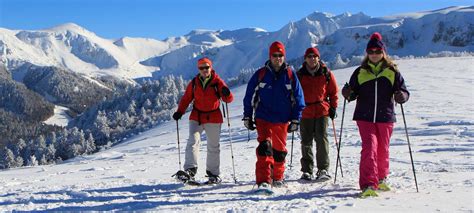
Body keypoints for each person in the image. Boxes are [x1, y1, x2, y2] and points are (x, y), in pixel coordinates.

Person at [342, 32, 409, 197]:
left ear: (383, 53)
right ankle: (368, 183)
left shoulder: (392, 71)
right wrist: (347, 93)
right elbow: (352, 94)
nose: (374, 54)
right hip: (365, 116)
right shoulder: (360, 72)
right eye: (371, 52)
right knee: (369, 148)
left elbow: (404, 91)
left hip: (385, 116)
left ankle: (381, 178)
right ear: (367, 53)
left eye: (377, 51)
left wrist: (402, 96)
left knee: (383, 149)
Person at [243, 41, 305, 190]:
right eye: (275, 55)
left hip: (282, 119)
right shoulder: (261, 74)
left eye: (280, 55)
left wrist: (296, 118)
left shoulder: (290, 75)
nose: (278, 58)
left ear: (284, 56)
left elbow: (299, 98)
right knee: (264, 147)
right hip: (263, 117)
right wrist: (247, 116)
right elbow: (249, 96)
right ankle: (264, 180)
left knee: (279, 151)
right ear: (270, 56)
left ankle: (277, 177)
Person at [172, 57, 234, 184]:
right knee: (193, 141)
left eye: (207, 67)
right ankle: (190, 170)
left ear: (211, 67)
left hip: (214, 117)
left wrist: (227, 93)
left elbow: (228, 99)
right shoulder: (194, 83)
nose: (205, 70)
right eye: (202, 68)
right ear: (198, 69)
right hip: (197, 116)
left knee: (213, 146)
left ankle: (213, 174)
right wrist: (180, 111)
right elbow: (186, 98)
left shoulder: (217, 82)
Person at [296, 47, 338, 181]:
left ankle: (323, 169)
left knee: (322, 139)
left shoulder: (326, 73)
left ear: (318, 58)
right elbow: (295, 94)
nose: (312, 59)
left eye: (314, 56)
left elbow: (333, 92)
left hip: (322, 110)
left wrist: (333, 107)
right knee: (306, 141)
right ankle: (307, 171)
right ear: (305, 59)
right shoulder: (300, 75)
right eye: (309, 56)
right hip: (306, 111)